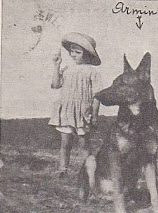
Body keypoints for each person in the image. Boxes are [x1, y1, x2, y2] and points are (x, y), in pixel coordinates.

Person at [49, 32, 102, 178]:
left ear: (86, 54)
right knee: (65, 143)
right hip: (66, 111)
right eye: (71, 51)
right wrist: (56, 65)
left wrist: (95, 114)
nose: (73, 54)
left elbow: (97, 95)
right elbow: (55, 84)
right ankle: (63, 170)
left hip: (83, 112)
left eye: (77, 52)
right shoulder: (66, 69)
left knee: (84, 144)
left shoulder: (92, 71)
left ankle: (89, 173)